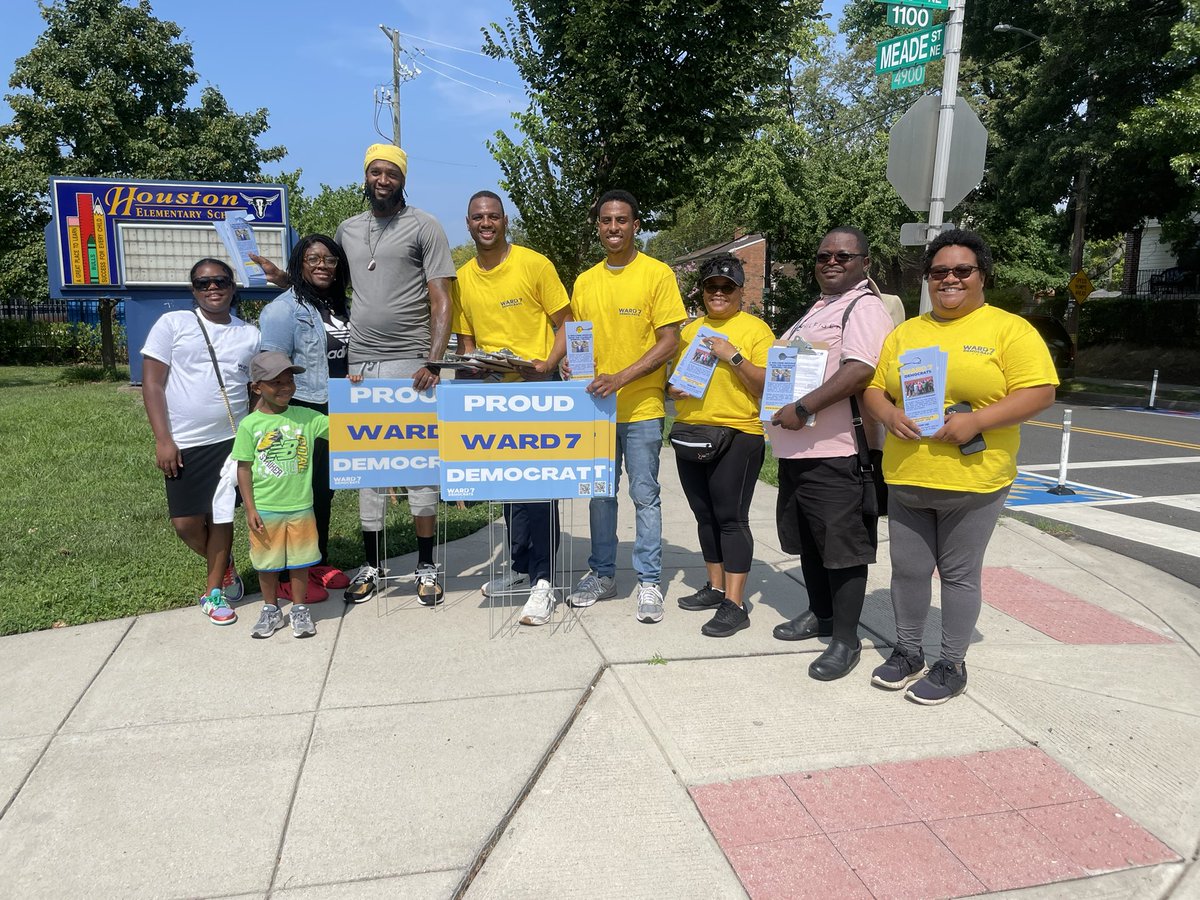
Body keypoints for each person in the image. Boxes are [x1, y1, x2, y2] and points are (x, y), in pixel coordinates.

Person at [863, 229, 1057, 704]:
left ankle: (951, 664)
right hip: (908, 476)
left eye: (962, 270)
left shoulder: (1009, 329)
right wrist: (888, 414)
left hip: (973, 481)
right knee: (908, 571)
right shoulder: (906, 333)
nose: (949, 279)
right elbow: (874, 389)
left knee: (958, 575)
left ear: (982, 275)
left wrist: (977, 421)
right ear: (928, 279)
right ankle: (908, 651)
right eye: (938, 272)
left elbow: (1040, 393)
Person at [257, 144, 456, 606]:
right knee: (370, 466)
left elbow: (442, 298)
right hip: (360, 363)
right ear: (365, 177)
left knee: (418, 465)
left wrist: (433, 360)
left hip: (412, 362)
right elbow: (324, 281)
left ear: (403, 179)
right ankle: (373, 564)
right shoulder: (347, 229)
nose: (382, 180)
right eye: (375, 172)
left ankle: (426, 565)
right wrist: (283, 278)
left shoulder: (424, 225)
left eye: (391, 173)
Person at [769, 228, 894, 680]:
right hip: (799, 452)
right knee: (810, 542)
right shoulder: (819, 308)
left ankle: (845, 640)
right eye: (824, 256)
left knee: (842, 551)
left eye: (843, 255)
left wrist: (803, 407)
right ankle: (820, 614)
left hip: (839, 452)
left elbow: (861, 370)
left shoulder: (864, 307)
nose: (832, 262)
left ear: (865, 262)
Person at [566, 189, 687, 623]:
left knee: (645, 495)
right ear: (598, 226)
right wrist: (570, 364)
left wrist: (620, 378)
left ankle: (649, 581)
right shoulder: (585, 281)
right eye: (606, 220)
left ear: (636, 226)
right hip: (596, 409)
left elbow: (669, 341)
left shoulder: (657, 274)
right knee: (600, 495)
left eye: (621, 220)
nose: (613, 227)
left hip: (642, 408)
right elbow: (580, 340)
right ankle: (602, 574)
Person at [451, 190, 571, 626]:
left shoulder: (534, 264)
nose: (486, 223)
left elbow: (567, 323)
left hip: (538, 390)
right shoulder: (462, 278)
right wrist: (470, 375)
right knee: (508, 488)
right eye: (478, 217)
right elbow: (466, 344)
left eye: (493, 216)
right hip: (494, 395)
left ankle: (544, 581)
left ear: (505, 221)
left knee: (538, 489)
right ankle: (520, 568)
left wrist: (549, 364)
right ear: (468, 223)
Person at [141, 258, 260, 625]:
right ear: (193, 289)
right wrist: (164, 440)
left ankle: (214, 592)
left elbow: (255, 389)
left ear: (232, 287)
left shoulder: (250, 334)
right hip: (185, 443)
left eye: (220, 281)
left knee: (221, 515)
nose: (212, 288)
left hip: (231, 441)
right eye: (203, 283)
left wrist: (253, 433)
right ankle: (224, 563)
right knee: (186, 524)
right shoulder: (173, 324)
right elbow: (152, 384)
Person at [667, 255, 774, 637]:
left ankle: (735, 603)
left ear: (740, 291)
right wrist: (671, 389)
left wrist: (734, 356)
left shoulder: (756, 329)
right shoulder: (688, 331)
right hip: (691, 431)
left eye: (726, 287)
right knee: (704, 515)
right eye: (711, 286)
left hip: (738, 434)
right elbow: (671, 379)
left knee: (731, 518)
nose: (718, 293)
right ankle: (715, 587)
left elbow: (766, 385)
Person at [255, 235, 352, 602]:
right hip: (300, 409)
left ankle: (314, 562)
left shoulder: (339, 305)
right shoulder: (282, 310)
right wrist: (274, 419)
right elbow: (271, 367)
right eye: (313, 259)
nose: (322, 265)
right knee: (295, 495)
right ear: (299, 264)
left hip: (335, 408)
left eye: (330, 259)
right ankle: (284, 575)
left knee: (322, 491)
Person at [233, 351, 330, 639]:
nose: (286, 387)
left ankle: (299, 609)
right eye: (276, 382)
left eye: (289, 381)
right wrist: (250, 508)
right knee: (268, 564)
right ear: (257, 387)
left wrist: (354, 389)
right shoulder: (249, 425)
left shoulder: (307, 418)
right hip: (266, 510)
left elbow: (345, 428)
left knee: (300, 563)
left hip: (301, 507)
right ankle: (271, 609)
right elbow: (243, 468)